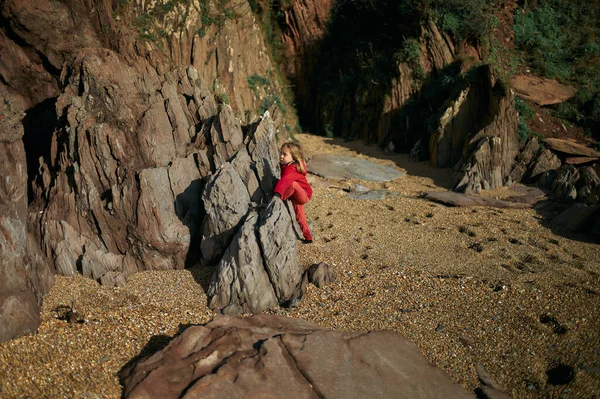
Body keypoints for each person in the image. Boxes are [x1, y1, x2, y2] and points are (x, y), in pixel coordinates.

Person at [273, 142, 313, 243]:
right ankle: (308, 238)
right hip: (297, 196)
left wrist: (277, 194)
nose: (281, 156)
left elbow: (286, 180)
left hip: (304, 194)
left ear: (293, 157)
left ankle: (281, 197)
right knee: (300, 217)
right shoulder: (287, 165)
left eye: (285, 154)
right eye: (281, 153)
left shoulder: (292, 168)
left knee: (292, 184)